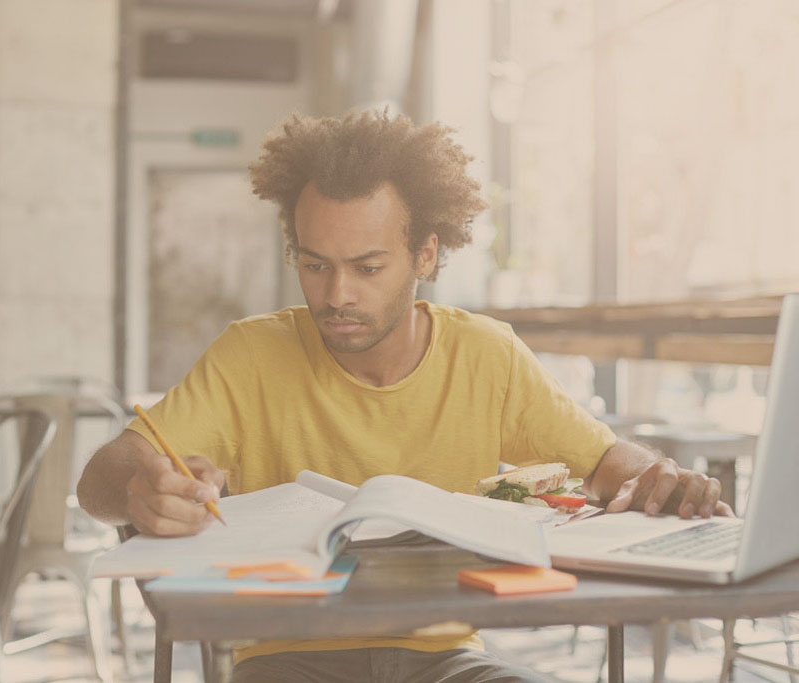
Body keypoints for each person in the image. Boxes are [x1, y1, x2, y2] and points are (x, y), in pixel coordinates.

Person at [78, 110, 732, 683]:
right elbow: (98, 483)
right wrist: (142, 485)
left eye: (366, 267)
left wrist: (661, 482)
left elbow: (610, 465)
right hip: (285, 661)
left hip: (448, 659)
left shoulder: (487, 356)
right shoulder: (251, 354)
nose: (336, 294)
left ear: (425, 255)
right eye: (314, 263)